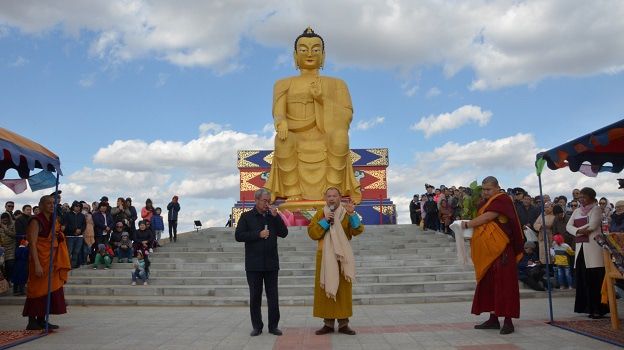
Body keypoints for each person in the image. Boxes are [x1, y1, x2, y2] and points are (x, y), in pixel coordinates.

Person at [264, 27, 361, 204]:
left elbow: (347, 115)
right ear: (295, 56)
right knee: (282, 139)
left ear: (323, 55)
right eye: (303, 50)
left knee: (341, 136)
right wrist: (281, 123)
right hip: (295, 135)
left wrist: (321, 98)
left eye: (316, 50)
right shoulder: (283, 84)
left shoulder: (337, 84)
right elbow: (278, 113)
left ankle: (332, 192)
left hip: (325, 135)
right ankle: (293, 192)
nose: (310, 54)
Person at [462, 176, 524, 335]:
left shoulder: (502, 200)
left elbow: (488, 217)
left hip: (502, 250)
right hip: (488, 251)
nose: (485, 192)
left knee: (505, 285)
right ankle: (493, 318)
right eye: (483, 189)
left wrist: (468, 224)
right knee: (489, 284)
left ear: (497, 188)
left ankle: (508, 321)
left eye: (488, 189)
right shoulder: (484, 203)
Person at [307, 187, 364, 336]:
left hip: (342, 256)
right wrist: (325, 221)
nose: (331, 198)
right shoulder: (321, 213)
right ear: (325, 198)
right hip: (325, 256)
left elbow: (357, 230)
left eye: (334, 196)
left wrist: (352, 214)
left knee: (343, 290)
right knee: (326, 286)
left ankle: (344, 323)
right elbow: (312, 233)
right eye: (329, 196)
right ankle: (328, 324)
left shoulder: (346, 213)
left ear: (340, 198)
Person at [235, 188, 288, 337]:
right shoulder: (246, 216)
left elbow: (284, 233)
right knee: (255, 296)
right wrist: (258, 234)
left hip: (271, 263)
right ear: (256, 200)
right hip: (253, 264)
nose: (267, 204)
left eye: (269, 201)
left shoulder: (273, 216)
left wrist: (276, 217)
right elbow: (238, 236)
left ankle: (273, 326)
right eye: (265, 201)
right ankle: (257, 327)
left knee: (273, 296)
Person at [23, 195, 70, 330]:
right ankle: (32, 321)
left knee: (49, 290)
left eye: (53, 203)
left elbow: (57, 238)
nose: (51, 205)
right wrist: (37, 264)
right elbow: (32, 243)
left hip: (51, 261)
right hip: (39, 259)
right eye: (48, 203)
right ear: (41, 205)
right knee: (36, 290)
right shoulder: (35, 220)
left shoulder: (54, 220)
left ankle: (42, 320)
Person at [566, 187, 609, 319]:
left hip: (593, 249)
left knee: (595, 280)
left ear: (591, 197)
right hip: (580, 248)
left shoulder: (596, 209)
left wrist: (579, 229)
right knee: (584, 279)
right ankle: (586, 308)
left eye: (584, 197)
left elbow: (594, 224)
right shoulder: (577, 210)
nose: (581, 199)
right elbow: (568, 226)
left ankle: (598, 309)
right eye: (580, 197)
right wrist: (579, 231)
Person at [63, 201, 86, 269]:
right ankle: (66, 265)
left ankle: (72, 266)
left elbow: (84, 225)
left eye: (79, 206)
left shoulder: (82, 215)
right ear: (73, 206)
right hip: (70, 236)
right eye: (76, 206)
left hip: (79, 236)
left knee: (76, 252)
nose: (78, 207)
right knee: (69, 252)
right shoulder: (67, 214)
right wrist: (74, 230)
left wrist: (80, 230)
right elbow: (66, 225)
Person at [0, 213, 16, 286]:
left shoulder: (13, 225)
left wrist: (5, 229)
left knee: (10, 265)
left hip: (11, 248)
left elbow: (14, 235)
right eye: (3, 218)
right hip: (2, 249)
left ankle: (10, 280)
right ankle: (5, 282)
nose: (5, 220)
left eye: (6, 218)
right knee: (2, 266)